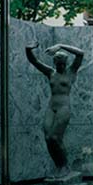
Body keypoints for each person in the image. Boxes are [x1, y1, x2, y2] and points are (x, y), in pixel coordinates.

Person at [25, 42, 84, 176]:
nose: (61, 66)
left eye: (63, 63)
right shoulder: (50, 73)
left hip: (64, 107)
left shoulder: (71, 71)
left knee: (55, 137)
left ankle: (64, 166)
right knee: (48, 138)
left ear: (66, 63)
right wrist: (28, 49)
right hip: (51, 107)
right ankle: (59, 166)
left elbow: (80, 53)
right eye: (58, 64)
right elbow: (34, 61)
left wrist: (61, 45)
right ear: (55, 63)